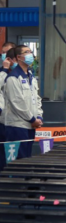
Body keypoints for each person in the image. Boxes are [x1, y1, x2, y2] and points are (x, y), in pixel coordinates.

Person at [3, 45, 42, 160]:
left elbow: (37, 98)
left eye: (30, 51)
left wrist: (39, 116)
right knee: (18, 161)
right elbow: (17, 103)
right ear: (19, 57)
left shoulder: (31, 76)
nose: (30, 54)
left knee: (27, 159)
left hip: (30, 126)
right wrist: (32, 119)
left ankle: (25, 178)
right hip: (17, 126)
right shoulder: (13, 78)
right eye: (27, 52)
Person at [0, 41, 16, 171]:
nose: (5, 57)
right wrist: (4, 69)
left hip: (16, 119)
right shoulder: (2, 72)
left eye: (8, 53)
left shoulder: (20, 72)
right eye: (3, 53)